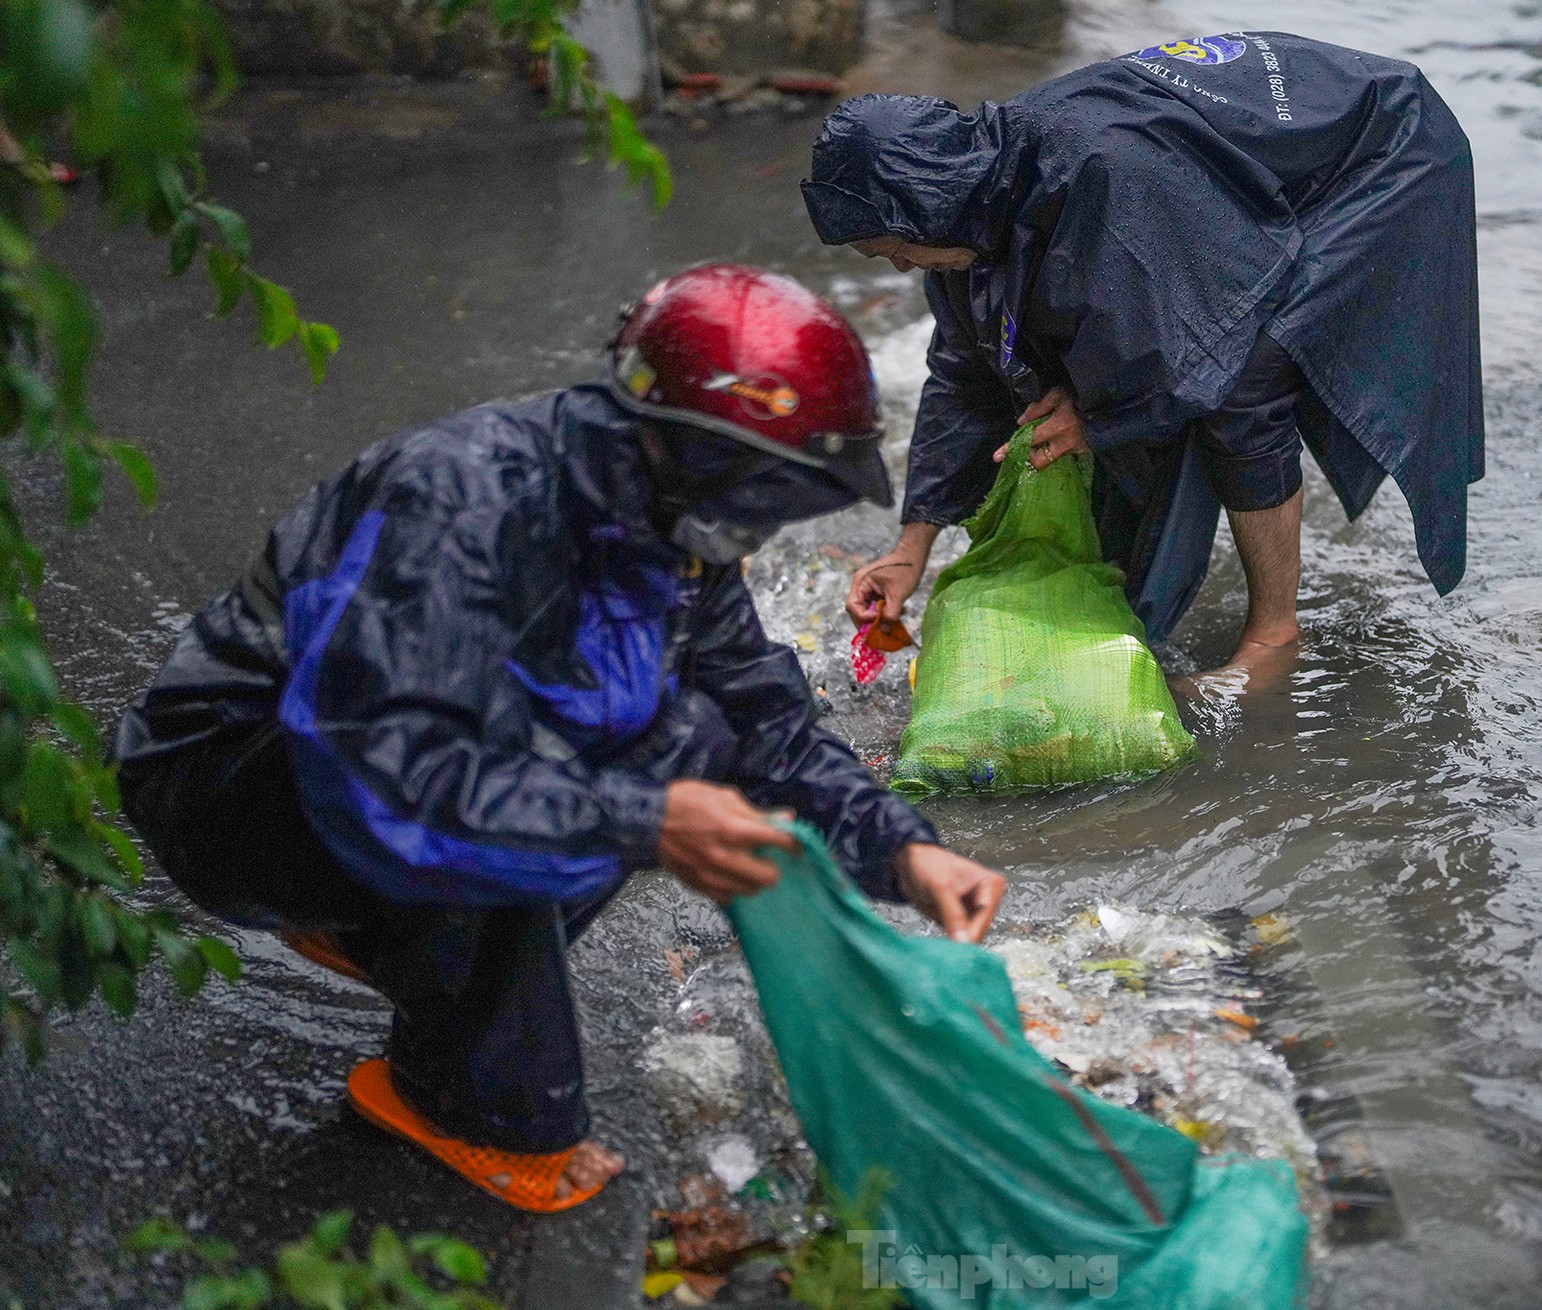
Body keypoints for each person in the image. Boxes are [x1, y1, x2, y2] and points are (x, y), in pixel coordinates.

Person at [112, 265, 1007, 1212]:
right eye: (767, 495)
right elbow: (385, 767)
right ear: (683, 449)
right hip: (236, 789)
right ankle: (447, 1094)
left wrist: (903, 850)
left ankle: (393, 936)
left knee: (689, 739)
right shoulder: (459, 504)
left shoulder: (671, 520)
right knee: (596, 787)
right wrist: (644, 819)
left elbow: (759, 715)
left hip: (366, 773)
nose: (768, 525)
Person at [803, 32, 1484, 688]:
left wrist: (1096, 418)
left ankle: (1274, 635)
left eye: (894, 247)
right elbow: (965, 371)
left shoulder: (1102, 173)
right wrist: (910, 547)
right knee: (1076, 368)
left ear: (931, 209)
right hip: (1235, 169)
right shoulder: (970, 203)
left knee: (1245, 381)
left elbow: (1196, 341)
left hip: (1379, 153)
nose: (896, 264)